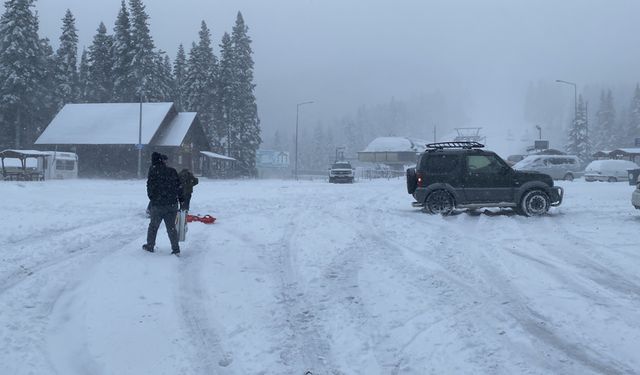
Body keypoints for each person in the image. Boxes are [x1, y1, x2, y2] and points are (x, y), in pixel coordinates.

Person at [143, 152, 184, 255]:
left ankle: (150, 246)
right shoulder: (172, 171)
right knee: (171, 227)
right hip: (172, 204)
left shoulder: (153, 171)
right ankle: (176, 249)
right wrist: (181, 199)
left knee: (153, 226)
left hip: (158, 205)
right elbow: (179, 186)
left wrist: (153, 199)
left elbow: (149, 187)